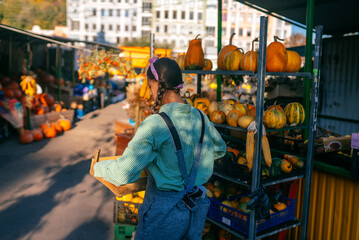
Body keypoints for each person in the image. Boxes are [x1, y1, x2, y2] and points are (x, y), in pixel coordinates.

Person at [93, 57, 226, 239]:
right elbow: (219, 150)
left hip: (163, 215)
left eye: (149, 85)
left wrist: (97, 167)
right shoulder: (201, 117)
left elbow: (122, 174)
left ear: (156, 84)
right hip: (194, 211)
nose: (150, 92)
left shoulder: (155, 125)